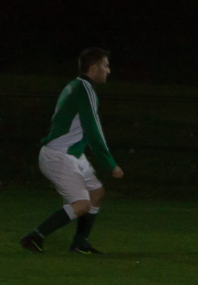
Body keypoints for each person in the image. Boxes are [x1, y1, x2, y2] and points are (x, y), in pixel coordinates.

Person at [20, 48, 123, 254]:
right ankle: (35, 236)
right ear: (93, 68)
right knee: (82, 204)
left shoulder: (76, 86)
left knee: (96, 193)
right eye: (105, 66)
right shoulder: (85, 90)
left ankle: (79, 243)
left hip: (70, 154)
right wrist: (110, 164)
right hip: (59, 156)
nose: (108, 70)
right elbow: (94, 131)